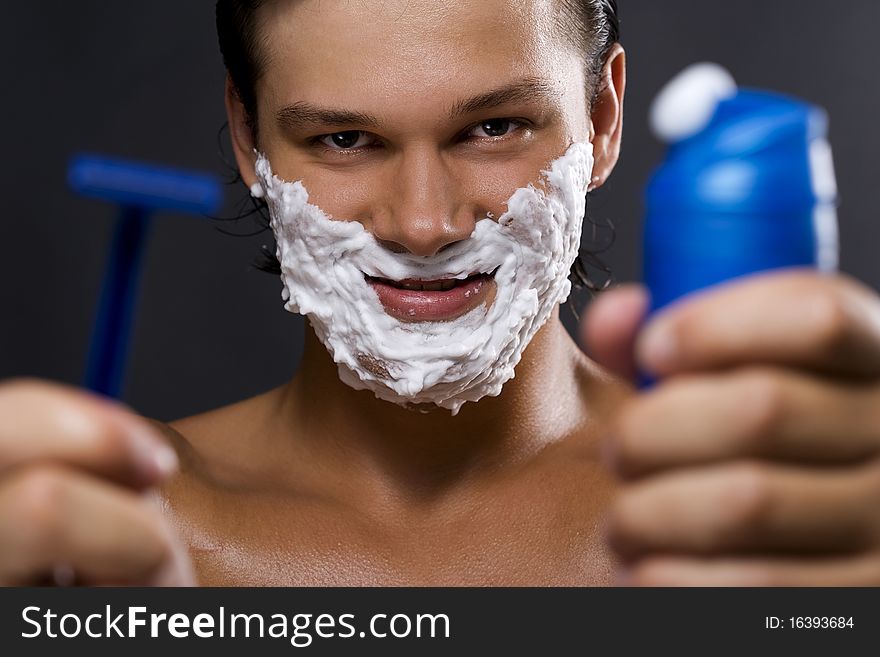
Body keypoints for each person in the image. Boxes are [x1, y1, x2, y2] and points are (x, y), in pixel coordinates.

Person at [2, 0, 879, 587]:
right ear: (247, 136)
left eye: (494, 127)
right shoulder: (99, 527)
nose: (424, 225)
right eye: (346, 138)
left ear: (601, 122)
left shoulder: (764, 513)